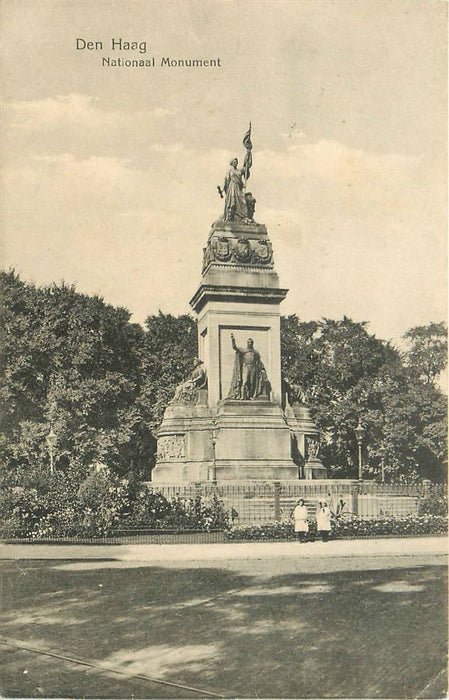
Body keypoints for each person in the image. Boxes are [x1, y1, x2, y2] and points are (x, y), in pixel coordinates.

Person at [227, 334, 269, 400]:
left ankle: (250, 396)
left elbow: (258, 362)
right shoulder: (244, 350)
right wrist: (233, 340)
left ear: (252, 343)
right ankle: (242, 396)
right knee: (245, 382)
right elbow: (235, 347)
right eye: (248, 342)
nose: (250, 343)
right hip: (246, 367)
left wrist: (261, 370)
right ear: (247, 343)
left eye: (251, 342)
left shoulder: (255, 352)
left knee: (252, 383)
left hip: (253, 368)